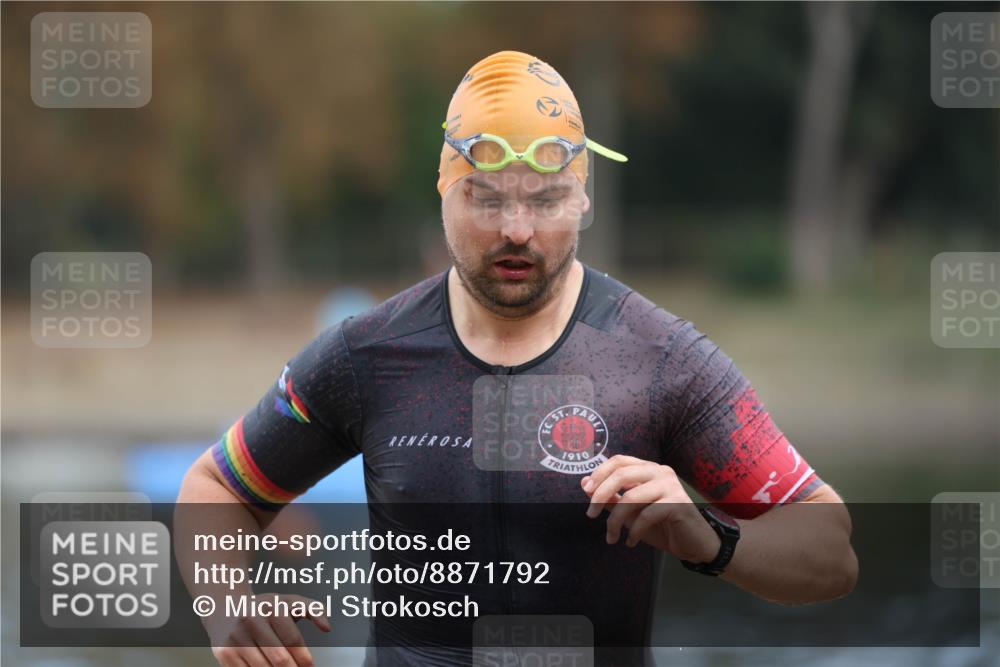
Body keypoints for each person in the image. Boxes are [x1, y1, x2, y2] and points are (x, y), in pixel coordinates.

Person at [178, 50, 857, 667]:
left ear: (583, 197)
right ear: (444, 189)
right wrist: (223, 604)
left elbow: (831, 551)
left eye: (547, 198)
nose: (516, 229)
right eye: (486, 197)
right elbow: (216, 488)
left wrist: (709, 537)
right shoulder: (366, 355)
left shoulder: (661, 360)